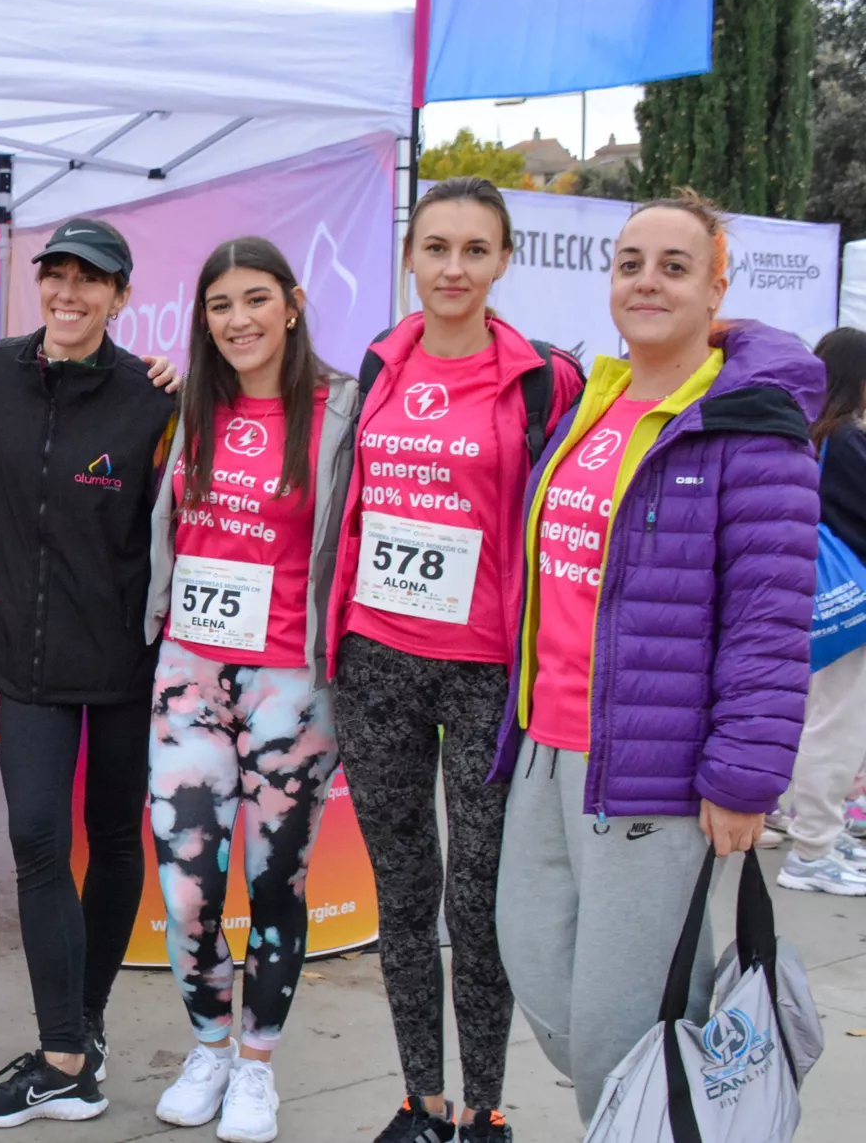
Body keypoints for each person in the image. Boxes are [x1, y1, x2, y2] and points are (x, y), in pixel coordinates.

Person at [492, 190, 819, 1123]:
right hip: (548, 748)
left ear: (717, 286)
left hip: (653, 772)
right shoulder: (596, 403)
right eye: (630, 263)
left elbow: (769, 615)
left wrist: (745, 775)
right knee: (539, 965)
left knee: (622, 1028)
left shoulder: (750, 425)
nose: (647, 281)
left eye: (675, 266)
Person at [324, 178, 582, 1143]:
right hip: (376, 663)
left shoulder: (541, 379)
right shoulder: (380, 363)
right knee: (404, 896)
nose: (454, 268)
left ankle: (484, 1110)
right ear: (410, 255)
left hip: (486, 675)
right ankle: (421, 1101)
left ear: (504, 259)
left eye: (476, 249)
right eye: (437, 247)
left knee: (477, 903)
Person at [0, 219, 177, 1128]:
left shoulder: (155, 399)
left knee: (114, 841)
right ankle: (63, 1055)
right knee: (39, 842)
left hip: (125, 661)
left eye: (92, 279)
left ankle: (81, 1033)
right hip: (27, 661)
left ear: (120, 296)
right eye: (57, 274)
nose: (70, 292)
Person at [143, 236, 354, 1143]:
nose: (239, 320)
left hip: (290, 683)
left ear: (293, 304)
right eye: (220, 304)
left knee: (275, 882)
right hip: (189, 672)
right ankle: (208, 1047)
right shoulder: (189, 404)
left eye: (256, 299)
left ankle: (257, 1063)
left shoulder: (344, 408)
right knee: (187, 886)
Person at [775, 325, 866, 896]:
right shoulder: (846, 440)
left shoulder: (805, 431)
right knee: (838, 724)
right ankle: (814, 850)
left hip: (813, 598)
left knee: (814, 718)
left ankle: (814, 829)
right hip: (851, 606)